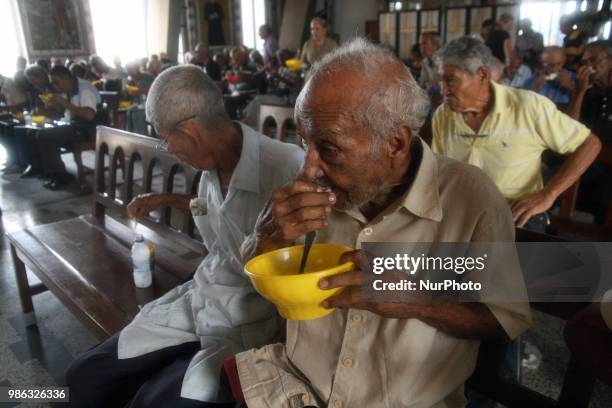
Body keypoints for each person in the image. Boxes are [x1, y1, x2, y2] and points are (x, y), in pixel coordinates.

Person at [229, 37, 532, 408]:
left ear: (396, 143)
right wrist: (266, 237)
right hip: (295, 387)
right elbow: (255, 268)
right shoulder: (313, 186)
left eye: (329, 148)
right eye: (303, 140)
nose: (308, 168)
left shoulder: (471, 200)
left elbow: (503, 318)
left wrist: (418, 301)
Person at [65, 65, 304, 407]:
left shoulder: (286, 169)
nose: (169, 148)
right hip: (200, 299)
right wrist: (167, 199)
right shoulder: (211, 171)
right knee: (84, 376)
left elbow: (299, 275)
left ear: (190, 132)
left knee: (152, 401)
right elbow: (221, 219)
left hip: (250, 323)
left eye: (166, 138)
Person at [432, 36, 601, 232]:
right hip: (465, 217)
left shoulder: (528, 107)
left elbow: (590, 144)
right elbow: (442, 172)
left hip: (516, 218)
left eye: (450, 80)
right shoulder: (443, 115)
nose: (443, 89)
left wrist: (548, 195)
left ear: (482, 75)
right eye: (440, 80)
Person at [28, 65, 101, 189]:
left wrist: (64, 102)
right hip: (74, 126)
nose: (56, 87)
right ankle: (46, 170)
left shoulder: (84, 89)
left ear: (66, 78)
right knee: (34, 133)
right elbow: (67, 112)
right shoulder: (70, 88)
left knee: (46, 136)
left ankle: (61, 175)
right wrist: (50, 108)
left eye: (57, 82)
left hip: (88, 130)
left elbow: (89, 115)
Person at [566, 41, 612, 224]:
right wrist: (579, 92)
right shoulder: (588, 94)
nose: (588, 66)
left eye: (593, 60)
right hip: (586, 163)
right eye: (585, 61)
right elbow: (569, 130)